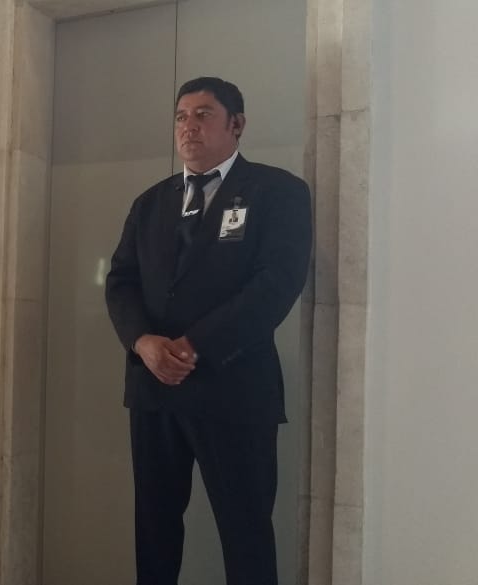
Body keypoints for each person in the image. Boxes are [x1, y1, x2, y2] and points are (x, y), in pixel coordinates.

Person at [105, 77, 312, 584]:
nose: (188, 127)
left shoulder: (277, 191)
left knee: (245, 532)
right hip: (155, 388)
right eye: (181, 116)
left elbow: (276, 284)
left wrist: (195, 345)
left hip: (233, 391)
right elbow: (121, 282)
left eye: (203, 115)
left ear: (236, 124)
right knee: (154, 528)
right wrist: (143, 342)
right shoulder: (150, 203)